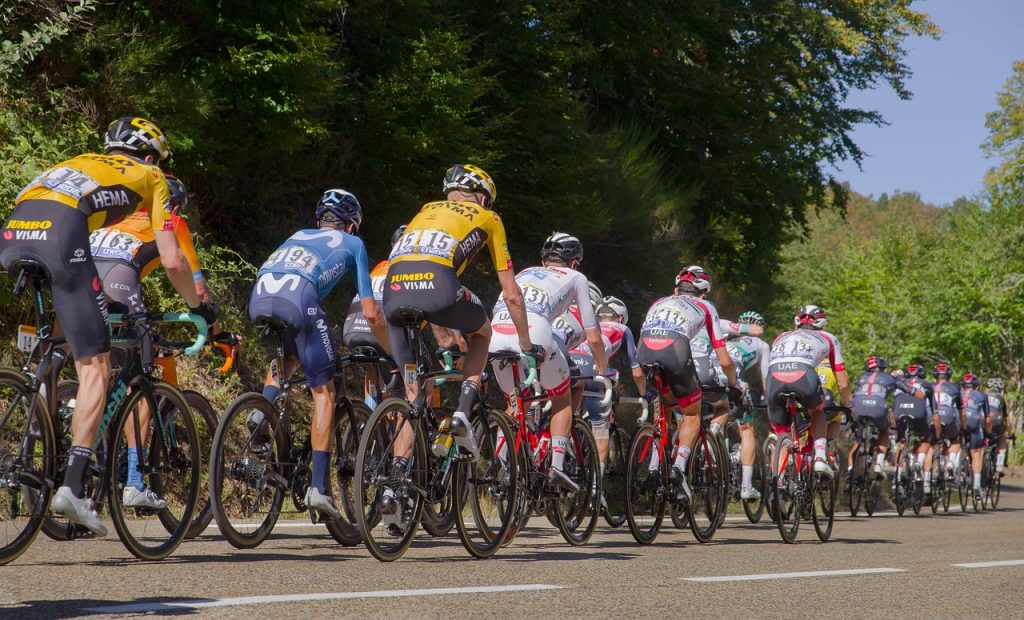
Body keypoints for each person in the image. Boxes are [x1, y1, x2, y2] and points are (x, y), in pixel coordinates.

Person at [0, 117, 215, 536]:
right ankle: (73, 487)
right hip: (62, 234)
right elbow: (173, 261)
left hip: (14, 232)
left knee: (59, 346)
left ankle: (39, 404)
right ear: (152, 157)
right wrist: (199, 308)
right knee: (96, 366)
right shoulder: (153, 177)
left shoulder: (79, 161)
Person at [88, 173, 233, 509]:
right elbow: (195, 286)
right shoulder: (172, 222)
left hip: (82, 280)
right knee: (142, 382)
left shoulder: (117, 218)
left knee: (97, 371)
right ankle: (136, 482)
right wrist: (215, 330)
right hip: (119, 282)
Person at [382, 164, 537, 466]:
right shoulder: (488, 218)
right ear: (481, 198)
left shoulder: (424, 210)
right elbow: (512, 295)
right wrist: (526, 345)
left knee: (413, 394)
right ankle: (462, 415)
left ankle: (395, 481)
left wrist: (443, 341)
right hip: (438, 287)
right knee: (482, 333)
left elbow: (417, 278)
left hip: (393, 291)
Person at [248, 188, 385, 518]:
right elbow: (370, 311)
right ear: (351, 225)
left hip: (260, 296)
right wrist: (389, 347)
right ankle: (319, 489)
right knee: (324, 392)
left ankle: (262, 408)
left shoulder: (296, 235)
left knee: (289, 357)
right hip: (299, 301)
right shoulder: (353, 244)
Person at [489, 232, 608, 490]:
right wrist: (604, 369)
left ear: (544, 260)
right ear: (574, 262)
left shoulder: (522, 273)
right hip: (533, 333)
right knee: (561, 398)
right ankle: (556, 467)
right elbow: (593, 337)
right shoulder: (576, 277)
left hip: (496, 333)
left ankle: (500, 464)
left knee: (514, 403)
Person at [637, 266, 736, 502]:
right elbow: (723, 358)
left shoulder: (659, 301)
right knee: (692, 414)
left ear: (676, 290)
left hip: (644, 350)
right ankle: (679, 467)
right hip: (675, 349)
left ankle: (653, 467)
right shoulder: (705, 306)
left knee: (665, 406)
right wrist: (733, 384)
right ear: (703, 293)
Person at [765, 305, 853, 477]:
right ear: (822, 323)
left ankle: (778, 484)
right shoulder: (828, 338)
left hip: (774, 378)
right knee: (817, 411)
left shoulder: (780, 337)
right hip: (804, 374)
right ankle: (820, 457)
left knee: (782, 433)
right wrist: (848, 405)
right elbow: (842, 383)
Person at [575, 295, 646, 478]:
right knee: (600, 425)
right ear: (621, 317)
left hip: (568, 366)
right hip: (592, 372)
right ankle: (596, 485)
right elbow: (636, 371)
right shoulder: (622, 328)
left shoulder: (587, 326)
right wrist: (644, 394)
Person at [845, 356, 923, 478]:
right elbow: (911, 390)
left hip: (858, 408)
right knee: (884, 430)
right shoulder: (890, 378)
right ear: (883, 369)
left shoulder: (861, 376)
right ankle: (879, 465)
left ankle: (850, 472)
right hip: (878, 408)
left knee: (858, 439)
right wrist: (920, 395)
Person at [893, 363, 935, 493]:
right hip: (918, 413)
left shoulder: (900, 382)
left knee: (902, 442)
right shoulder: (927, 384)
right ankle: (918, 463)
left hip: (899, 413)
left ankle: (896, 478)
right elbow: (933, 410)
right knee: (926, 439)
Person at [929, 363, 964, 486]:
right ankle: (950, 463)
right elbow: (961, 410)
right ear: (950, 377)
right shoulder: (955, 387)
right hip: (948, 417)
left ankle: (926, 477)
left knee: (929, 444)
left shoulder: (929, 386)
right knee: (955, 440)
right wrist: (963, 428)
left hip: (932, 418)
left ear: (934, 377)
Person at [960, 372, 989, 501]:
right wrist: (988, 434)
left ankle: (954, 466)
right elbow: (987, 420)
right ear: (977, 386)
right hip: (974, 424)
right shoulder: (982, 396)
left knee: (954, 445)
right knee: (977, 453)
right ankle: (976, 484)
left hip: (960, 423)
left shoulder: (957, 393)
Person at [985, 377, 1011, 476]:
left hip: (985, 420)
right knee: (1002, 437)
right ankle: (999, 464)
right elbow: (1006, 420)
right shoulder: (1001, 398)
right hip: (997, 420)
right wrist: (1010, 433)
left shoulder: (983, 396)